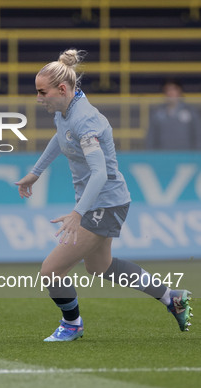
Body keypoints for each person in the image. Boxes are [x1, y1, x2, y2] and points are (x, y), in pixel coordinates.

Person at [15, 49, 193, 342]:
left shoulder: (85, 119)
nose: (38, 98)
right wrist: (36, 171)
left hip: (104, 203)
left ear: (61, 89)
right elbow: (61, 138)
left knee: (51, 270)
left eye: (41, 92)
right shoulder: (67, 109)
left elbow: (99, 174)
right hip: (104, 201)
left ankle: (72, 325)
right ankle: (170, 297)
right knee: (101, 266)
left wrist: (78, 213)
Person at [147, 78, 201, 150]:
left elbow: (198, 135)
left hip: (186, 156)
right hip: (162, 156)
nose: (170, 93)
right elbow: (151, 137)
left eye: (174, 89)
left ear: (180, 91)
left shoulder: (191, 112)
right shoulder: (157, 113)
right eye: (167, 90)